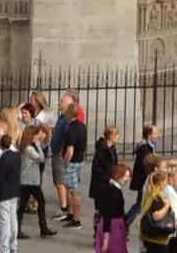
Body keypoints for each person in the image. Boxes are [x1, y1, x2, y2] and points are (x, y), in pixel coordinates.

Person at [54, 98, 88, 233]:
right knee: (70, 188)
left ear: (69, 114)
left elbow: (70, 149)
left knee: (73, 191)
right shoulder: (82, 125)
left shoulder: (71, 128)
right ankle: (71, 214)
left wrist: (65, 161)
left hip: (72, 162)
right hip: (79, 160)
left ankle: (76, 219)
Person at [0, 121, 24, 253]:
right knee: (13, 220)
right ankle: (13, 246)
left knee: (4, 222)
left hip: (4, 193)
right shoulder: (17, 156)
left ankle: (4, 248)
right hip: (15, 191)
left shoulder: (1, 159)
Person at [92, 163, 130, 253]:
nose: (128, 179)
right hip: (113, 227)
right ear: (118, 176)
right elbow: (107, 215)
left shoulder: (111, 188)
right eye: (126, 176)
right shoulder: (114, 191)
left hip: (113, 225)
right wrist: (106, 239)